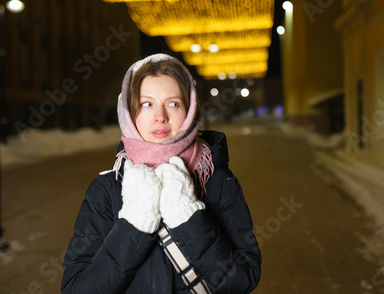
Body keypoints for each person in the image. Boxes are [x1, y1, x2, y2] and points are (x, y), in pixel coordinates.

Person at [61, 54, 262, 293]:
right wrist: (134, 224)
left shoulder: (217, 181)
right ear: (129, 112)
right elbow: (76, 289)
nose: (160, 116)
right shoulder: (105, 191)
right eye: (146, 103)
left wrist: (187, 218)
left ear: (189, 110)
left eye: (173, 103)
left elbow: (243, 279)